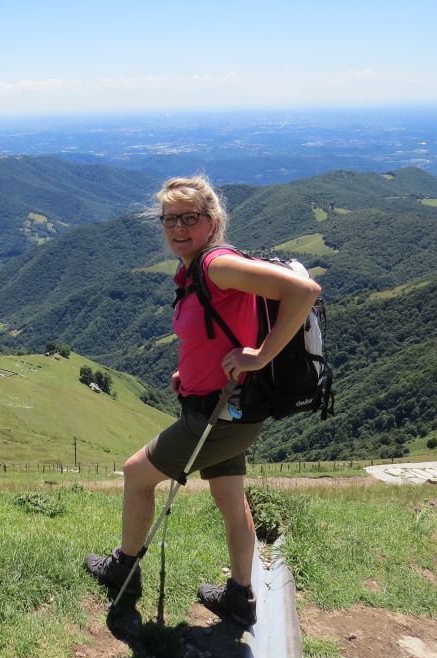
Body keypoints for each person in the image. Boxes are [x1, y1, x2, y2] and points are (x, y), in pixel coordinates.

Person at [84, 174, 321, 626]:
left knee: (136, 475)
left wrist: (259, 356)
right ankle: (239, 596)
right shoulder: (194, 268)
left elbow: (304, 291)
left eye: (189, 218)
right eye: (169, 219)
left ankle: (125, 570)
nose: (177, 227)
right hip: (225, 406)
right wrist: (187, 374)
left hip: (221, 415)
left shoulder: (215, 264)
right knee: (231, 500)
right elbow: (213, 332)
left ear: (212, 222)